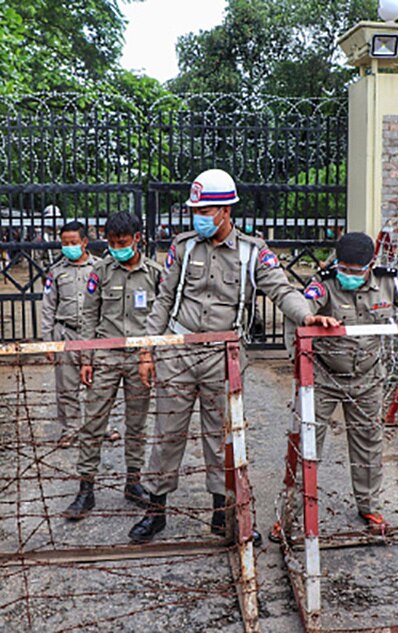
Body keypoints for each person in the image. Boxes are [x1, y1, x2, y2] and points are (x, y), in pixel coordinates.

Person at [128, 168, 339, 544]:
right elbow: (162, 301)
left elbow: (281, 289)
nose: (199, 218)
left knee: (222, 438)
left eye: (205, 211)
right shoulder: (183, 246)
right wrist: (147, 348)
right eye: (196, 211)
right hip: (179, 352)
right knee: (167, 434)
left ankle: (222, 515)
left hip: (223, 358)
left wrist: (307, 315)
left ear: (226, 211)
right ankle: (155, 511)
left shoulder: (253, 252)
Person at [291, 233, 398, 536]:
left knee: (368, 443)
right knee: (306, 442)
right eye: (344, 269)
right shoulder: (325, 283)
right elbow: (301, 309)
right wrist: (310, 319)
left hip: (368, 377)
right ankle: (291, 511)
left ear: (371, 265)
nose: (349, 276)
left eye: (356, 271)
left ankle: (369, 506)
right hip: (323, 376)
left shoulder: (389, 281)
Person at [63, 212, 164, 521]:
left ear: (137, 239)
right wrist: (86, 358)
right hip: (105, 355)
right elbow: (89, 316)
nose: (116, 247)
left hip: (139, 358)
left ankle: (133, 482)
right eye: (111, 242)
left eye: (122, 242)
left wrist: (153, 355)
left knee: (136, 423)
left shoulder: (156, 274)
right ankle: (86, 489)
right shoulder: (101, 271)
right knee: (93, 421)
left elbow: (162, 316)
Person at [41, 220, 99, 449]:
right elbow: (48, 306)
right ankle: (70, 429)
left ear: (84, 242)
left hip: (93, 335)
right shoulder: (56, 272)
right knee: (66, 387)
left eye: (74, 242)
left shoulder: (100, 268)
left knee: (99, 385)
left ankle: (102, 427)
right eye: (65, 243)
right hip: (66, 333)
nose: (69, 247)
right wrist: (48, 341)